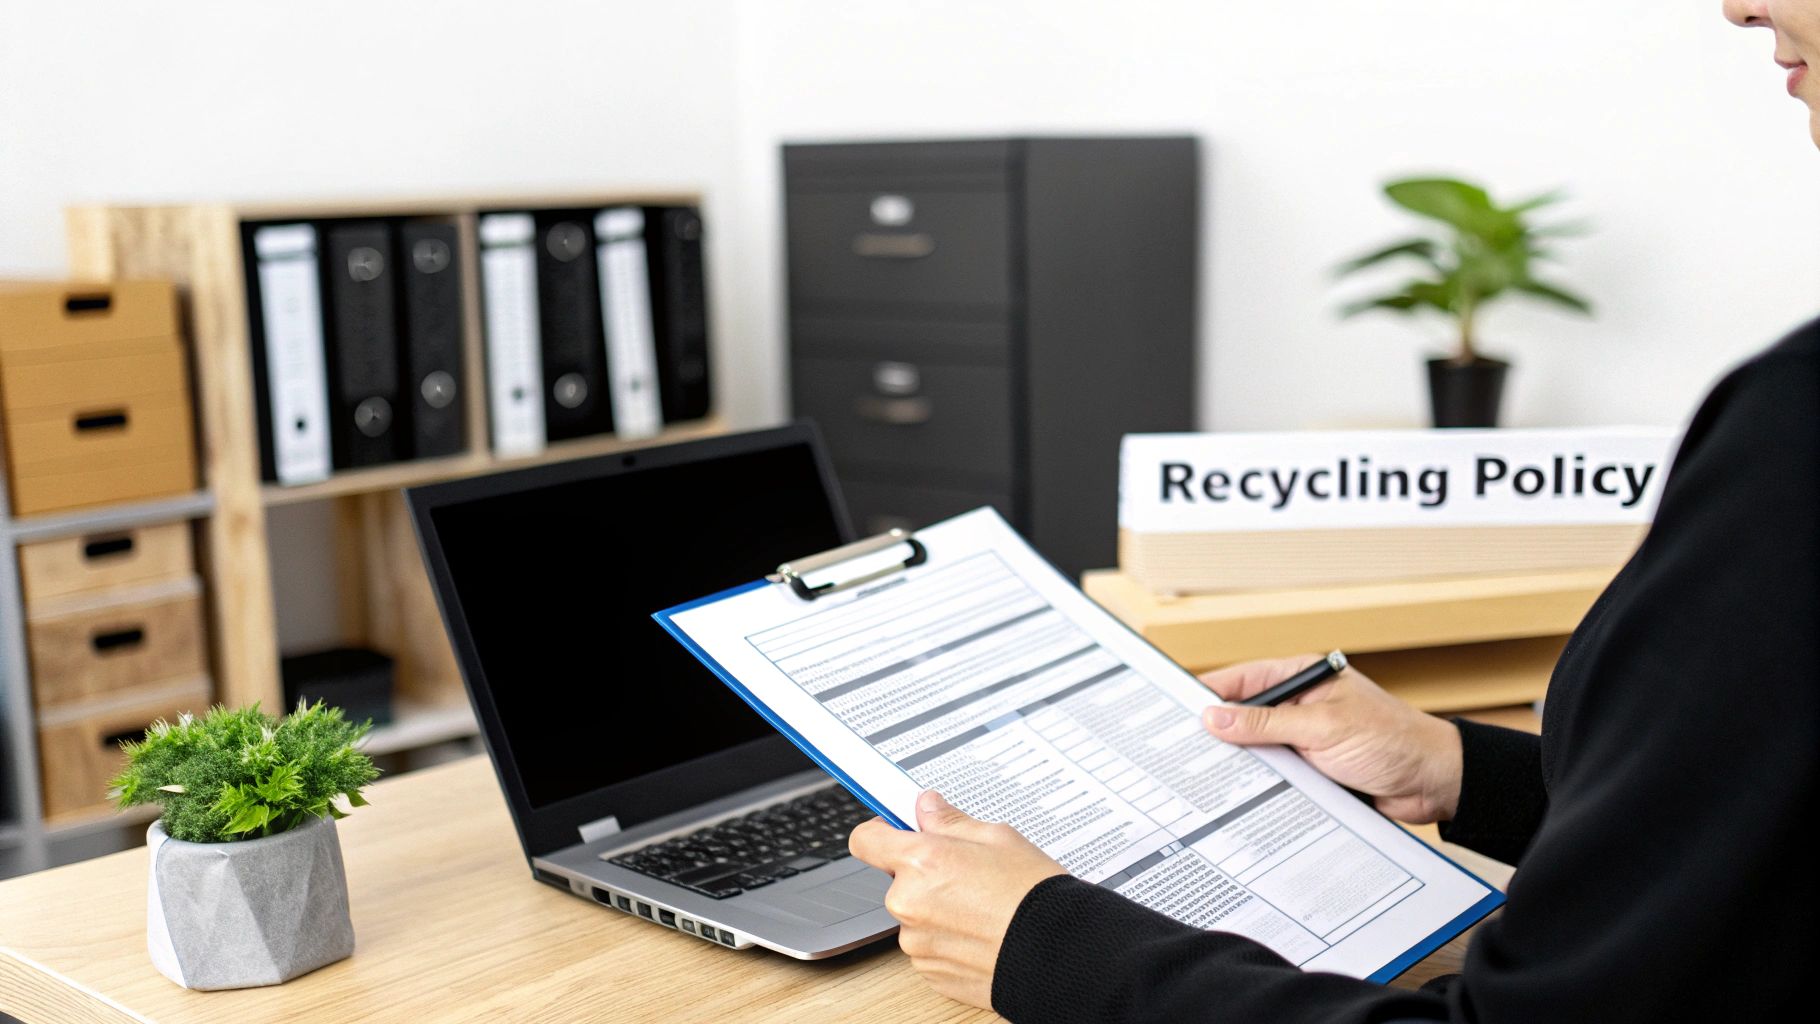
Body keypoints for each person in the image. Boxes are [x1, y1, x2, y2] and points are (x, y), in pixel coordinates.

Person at [848, 2, 1820, 1019]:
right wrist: (1451, 767)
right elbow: (1742, 842)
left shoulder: (1793, 430)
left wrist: (1049, 948)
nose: (1734, 2)